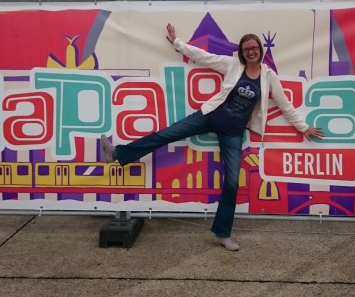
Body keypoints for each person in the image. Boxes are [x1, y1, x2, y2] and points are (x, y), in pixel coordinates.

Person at [100, 23, 324, 251]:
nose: (251, 51)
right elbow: (204, 57)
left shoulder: (268, 76)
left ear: (260, 50)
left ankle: (223, 233)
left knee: (232, 182)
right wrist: (177, 43)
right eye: (247, 48)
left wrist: (303, 127)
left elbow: (285, 104)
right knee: (166, 134)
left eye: (254, 48)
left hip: (233, 132)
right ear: (242, 51)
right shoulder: (233, 64)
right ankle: (117, 153)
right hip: (210, 116)